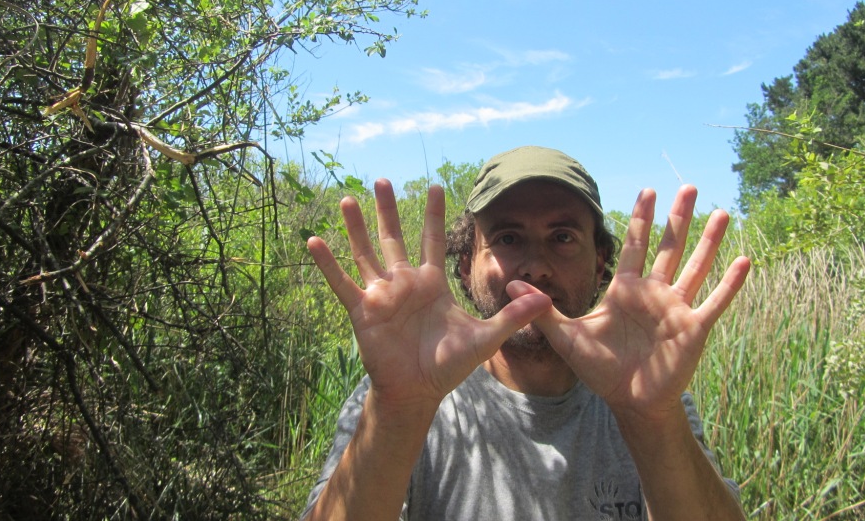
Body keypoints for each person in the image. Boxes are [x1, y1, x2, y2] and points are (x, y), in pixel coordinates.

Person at [302, 146, 751, 520]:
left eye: (562, 237)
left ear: (600, 266)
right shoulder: (396, 395)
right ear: (465, 266)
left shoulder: (650, 399)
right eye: (508, 238)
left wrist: (651, 420)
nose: (535, 266)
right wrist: (399, 410)